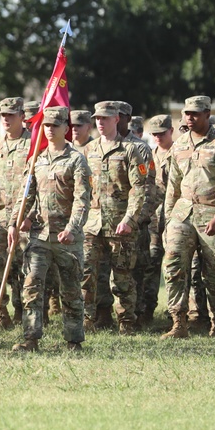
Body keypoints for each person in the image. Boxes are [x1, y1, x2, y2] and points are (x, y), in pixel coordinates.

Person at [10, 106, 90, 352]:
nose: (50, 129)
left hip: (67, 237)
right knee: (32, 286)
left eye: (55, 125)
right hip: (40, 234)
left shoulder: (76, 160)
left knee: (71, 290)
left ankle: (74, 340)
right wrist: (15, 222)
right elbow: (26, 195)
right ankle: (31, 338)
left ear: (66, 128)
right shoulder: (38, 158)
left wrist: (73, 228)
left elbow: (82, 199)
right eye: (47, 125)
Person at [159, 97, 215, 339]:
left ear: (207, 114)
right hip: (182, 214)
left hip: (212, 215)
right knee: (173, 266)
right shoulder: (180, 144)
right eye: (187, 114)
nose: (190, 118)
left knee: (214, 273)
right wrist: (168, 221)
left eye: (195, 114)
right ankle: (178, 323)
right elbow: (172, 186)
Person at [81, 101, 149, 335]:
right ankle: (88, 319)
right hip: (93, 223)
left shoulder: (131, 150)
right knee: (87, 273)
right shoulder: (89, 150)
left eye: (105, 119)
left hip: (120, 224)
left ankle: (126, 322)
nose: (100, 122)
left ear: (116, 119)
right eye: (97, 119)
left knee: (121, 277)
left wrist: (130, 219)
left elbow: (139, 188)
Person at [0, 97, 32, 327]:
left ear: (22, 116)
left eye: (12, 115)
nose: (7, 119)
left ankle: (23, 311)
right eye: (4, 115)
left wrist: (30, 216)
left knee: (25, 271)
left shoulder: (33, 145)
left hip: (25, 217)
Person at [140, 114, 174, 325]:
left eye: (162, 133)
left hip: (174, 216)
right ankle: (147, 310)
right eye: (154, 134)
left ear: (171, 131)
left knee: (174, 265)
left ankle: (178, 312)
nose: (158, 138)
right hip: (153, 217)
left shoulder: (180, 154)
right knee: (151, 263)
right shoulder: (149, 155)